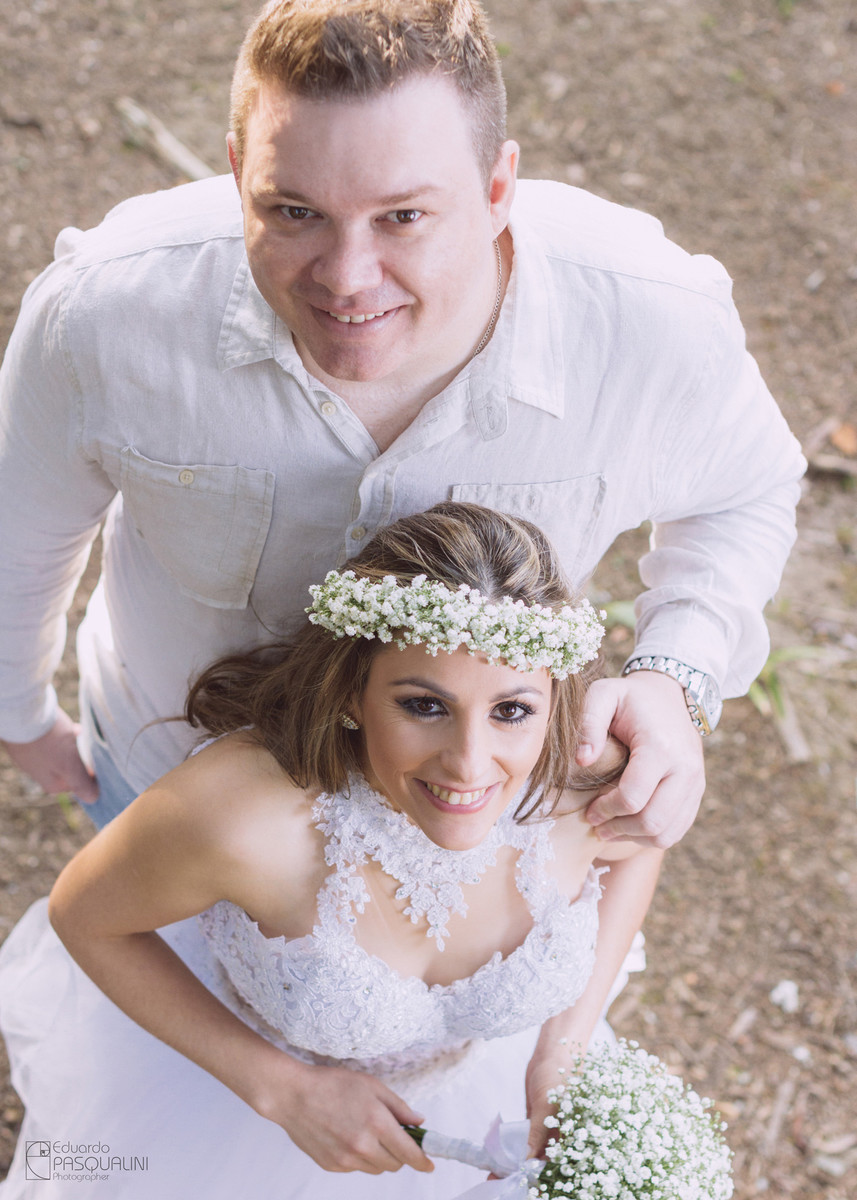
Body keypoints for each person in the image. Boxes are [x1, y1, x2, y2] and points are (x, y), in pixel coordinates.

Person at [0, 0, 804, 846]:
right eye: (295, 211)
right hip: (167, 784)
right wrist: (18, 714)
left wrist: (675, 675)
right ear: (238, 175)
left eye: (403, 217)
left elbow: (744, 491)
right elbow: (18, 534)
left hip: (483, 817)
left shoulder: (650, 325)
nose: (347, 279)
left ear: (497, 191)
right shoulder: (101, 314)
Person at [0, 502, 661, 1198]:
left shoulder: (583, 782)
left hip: (477, 1093)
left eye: (511, 711)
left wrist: (563, 1050)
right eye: (424, 705)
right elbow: (84, 916)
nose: (469, 764)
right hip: (229, 1111)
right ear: (352, 693)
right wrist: (282, 1089)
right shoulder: (238, 817)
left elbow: (641, 844)